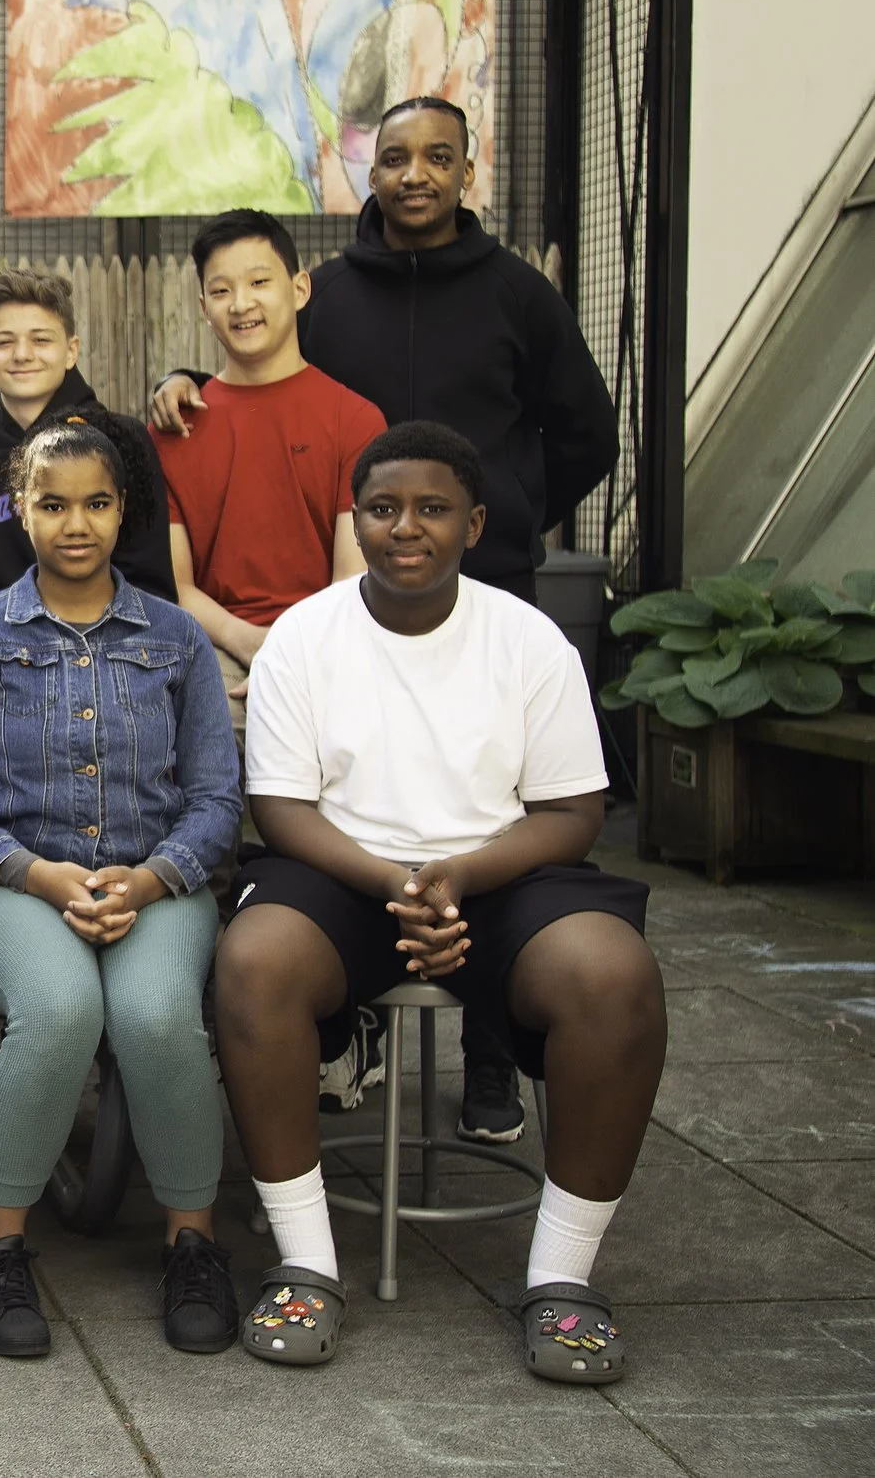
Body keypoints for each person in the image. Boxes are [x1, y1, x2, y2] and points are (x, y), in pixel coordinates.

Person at [151, 100, 623, 1139]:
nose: (416, 174)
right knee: (351, 799)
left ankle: (493, 1052)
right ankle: (324, 1007)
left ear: (465, 169)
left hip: (479, 585)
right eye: (396, 157)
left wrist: (513, 512)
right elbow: (255, 373)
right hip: (337, 621)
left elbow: (587, 427)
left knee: (485, 802)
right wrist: (178, 382)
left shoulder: (517, 292)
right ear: (370, 173)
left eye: (437, 157)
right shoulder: (327, 295)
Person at [214, 421, 663, 1381]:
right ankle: (306, 1264)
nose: (405, 527)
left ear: (475, 522)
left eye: (432, 508)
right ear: (356, 521)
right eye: (383, 508)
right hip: (341, 872)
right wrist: (393, 882)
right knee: (253, 961)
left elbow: (573, 810)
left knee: (613, 974)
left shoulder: (528, 639)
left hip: (499, 874)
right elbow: (280, 805)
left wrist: (457, 874)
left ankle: (564, 1279)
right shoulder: (305, 635)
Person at [0, 422, 243, 1361]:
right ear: (19, 510)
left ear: (123, 509)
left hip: (158, 879)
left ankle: (193, 1245)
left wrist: (148, 879)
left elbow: (217, 801)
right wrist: (37, 872)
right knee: (60, 1009)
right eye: (53, 503)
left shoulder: (177, 638)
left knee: (155, 1015)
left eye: (96, 503)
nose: (76, 523)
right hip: (11, 881)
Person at [152, 210, 380, 734]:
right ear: (204, 307)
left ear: (299, 289)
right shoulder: (174, 429)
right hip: (216, 646)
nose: (241, 304)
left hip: (332, 640)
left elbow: (353, 580)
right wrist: (250, 642)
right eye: (222, 290)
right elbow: (175, 586)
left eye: (259, 282)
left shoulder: (355, 419)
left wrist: (290, 655)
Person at [0, 268, 173, 607]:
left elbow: (150, 581)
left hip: (109, 630)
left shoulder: (123, 440)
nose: (22, 354)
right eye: (4, 342)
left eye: (41, 340)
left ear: (71, 351)